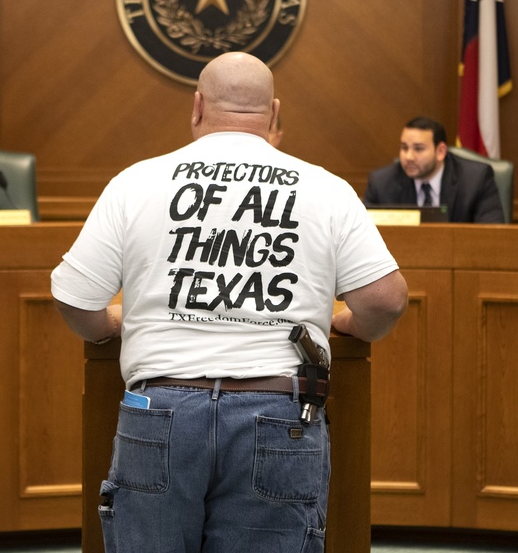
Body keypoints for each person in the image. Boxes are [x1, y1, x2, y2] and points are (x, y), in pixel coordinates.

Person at [51, 52, 408, 552]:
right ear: (274, 114)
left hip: (159, 411)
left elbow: (73, 297)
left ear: (197, 107)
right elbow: (386, 300)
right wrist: (348, 325)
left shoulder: (136, 182)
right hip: (280, 415)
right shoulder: (326, 189)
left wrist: (107, 325)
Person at [362, 116, 504, 223]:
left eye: (418, 149)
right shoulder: (381, 183)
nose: (408, 156)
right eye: (404, 148)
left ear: (440, 151)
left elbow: (492, 235)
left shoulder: (476, 179)